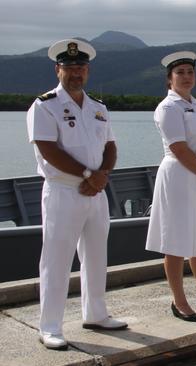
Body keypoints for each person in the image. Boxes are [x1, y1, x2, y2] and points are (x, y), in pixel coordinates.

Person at [26, 39, 128, 350]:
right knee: (57, 260)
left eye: (80, 68)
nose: (76, 73)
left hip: (96, 192)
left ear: (88, 70)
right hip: (64, 191)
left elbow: (110, 146)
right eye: (69, 68)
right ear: (58, 70)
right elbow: (47, 149)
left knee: (96, 256)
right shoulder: (44, 106)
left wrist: (102, 176)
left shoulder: (99, 108)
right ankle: (50, 326)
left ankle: (95, 313)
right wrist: (88, 175)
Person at [146, 51, 196, 322]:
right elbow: (179, 147)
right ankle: (178, 300)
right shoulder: (168, 108)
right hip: (180, 175)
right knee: (177, 240)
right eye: (180, 73)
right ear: (170, 79)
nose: (187, 77)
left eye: (190, 72)